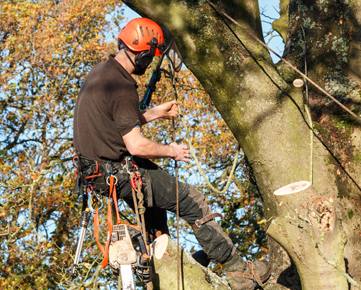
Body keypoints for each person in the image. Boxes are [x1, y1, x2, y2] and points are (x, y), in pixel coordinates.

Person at [73, 18, 270, 290]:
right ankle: (240, 272)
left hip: (98, 172)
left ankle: (166, 263)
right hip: (116, 173)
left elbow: (118, 122)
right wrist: (172, 151)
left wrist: (156, 113)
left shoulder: (101, 73)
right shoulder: (122, 87)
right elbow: (136, 146)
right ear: (142, 56)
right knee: (191, 200)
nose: (150, 63)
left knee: (157, 201)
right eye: (149, 58)